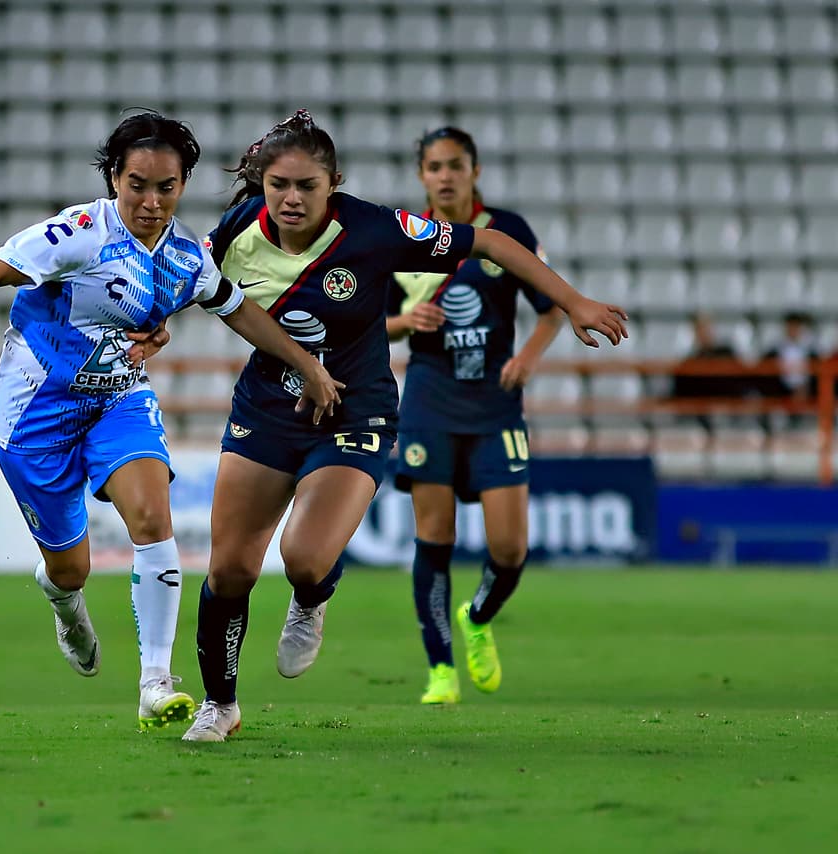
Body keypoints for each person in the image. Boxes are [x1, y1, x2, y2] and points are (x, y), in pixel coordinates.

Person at [0, 112, 341, 730]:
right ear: (115, 178)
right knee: (71, 568)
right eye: (137, 183)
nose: (151, 200)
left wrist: (306, 364)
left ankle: (154, 681)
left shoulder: (187, 256)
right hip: (35, 413)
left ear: (182, 186)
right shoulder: (80, 233)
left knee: (151, 517)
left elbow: (239, 310)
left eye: (166, 186)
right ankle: (64, 601)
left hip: (118, 398)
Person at [181, 110, 627, 742]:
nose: (292, 198)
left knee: (304, 559)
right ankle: (219, 705)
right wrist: (155, 327)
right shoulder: (234, 232)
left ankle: (312, 599)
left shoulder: (374, 228)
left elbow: (493, 244)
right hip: (267, 409)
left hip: (355, 410)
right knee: (229, 572)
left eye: (307, 185)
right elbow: (194, 289)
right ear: (264, 182)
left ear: (332, 183)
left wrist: (574, 301)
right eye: (279, 184)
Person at [386, 126, 566, 706]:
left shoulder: (507, 232)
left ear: (474, 171)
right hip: (429, 400)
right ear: (422, 176)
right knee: (433, 536)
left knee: (510, 549)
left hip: (495, 403)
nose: (445, 176)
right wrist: (403, 324)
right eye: (434, 166)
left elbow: (551, 308)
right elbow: (363, 321)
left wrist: (528, 358)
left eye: (455, 165)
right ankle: (440, 670)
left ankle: (478, 616)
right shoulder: (399, 238)